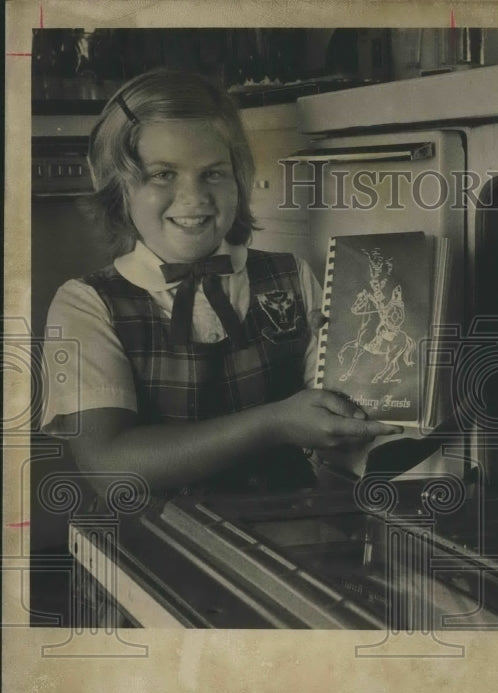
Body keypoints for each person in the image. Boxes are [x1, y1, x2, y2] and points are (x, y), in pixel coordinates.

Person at [40, 68, 402, 500]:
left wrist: (361, 373)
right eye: (163, 174)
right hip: (150, 551)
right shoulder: (86, 304)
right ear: (119, 187)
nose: (194, 198)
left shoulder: (291, 275)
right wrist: (274, 423)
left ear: (240, 178)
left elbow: (336, 422)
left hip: (288, 537)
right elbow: (112, 467)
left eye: (213, 173)